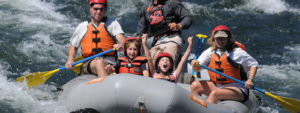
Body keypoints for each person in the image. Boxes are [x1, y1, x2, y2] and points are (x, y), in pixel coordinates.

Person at [190, 25, 258, 104]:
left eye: (223, 38)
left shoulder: (237, 52)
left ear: (228, 39)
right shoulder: (210, 52)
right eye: (218, 38)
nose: (220, 41)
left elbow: (254, 64)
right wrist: (195, 65)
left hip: (237, 88)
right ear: (214, 39)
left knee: (215, 94)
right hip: (217, 85)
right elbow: (197, 69)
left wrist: (250, 80)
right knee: (195, 85)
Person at [65, 0, 125, 77]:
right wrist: (70, 59)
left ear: (105, 9)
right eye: (95, 9)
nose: (98, 12)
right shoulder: (82, 26)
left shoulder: (112, 23)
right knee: (99, 63)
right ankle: (105, 86)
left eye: (101, 9)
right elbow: (73, 46)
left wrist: (121, 44)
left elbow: (122, 39)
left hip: (111, 63)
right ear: (90, 8)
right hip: (89, 63)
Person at [137, 0, 192, 67]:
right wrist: (138, 39)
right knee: (147, 65)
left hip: (172, 38)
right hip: (155, 41)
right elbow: (141, 27)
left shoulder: (173, 3)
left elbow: (187, 18)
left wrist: (179, 25)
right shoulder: (147, 6)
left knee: (165, 62)